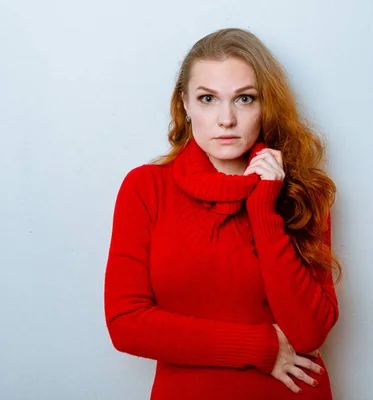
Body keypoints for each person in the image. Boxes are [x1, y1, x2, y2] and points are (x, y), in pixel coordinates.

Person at [104, 27, 343, 400]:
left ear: (266, 105)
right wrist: (259, 347)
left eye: (245, 99)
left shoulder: (303, 192)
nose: (226, 119)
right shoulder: (146, 187)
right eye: (208, 98)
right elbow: (126, 324)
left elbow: (309, 332)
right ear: (184, 103)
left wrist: (265, 210)